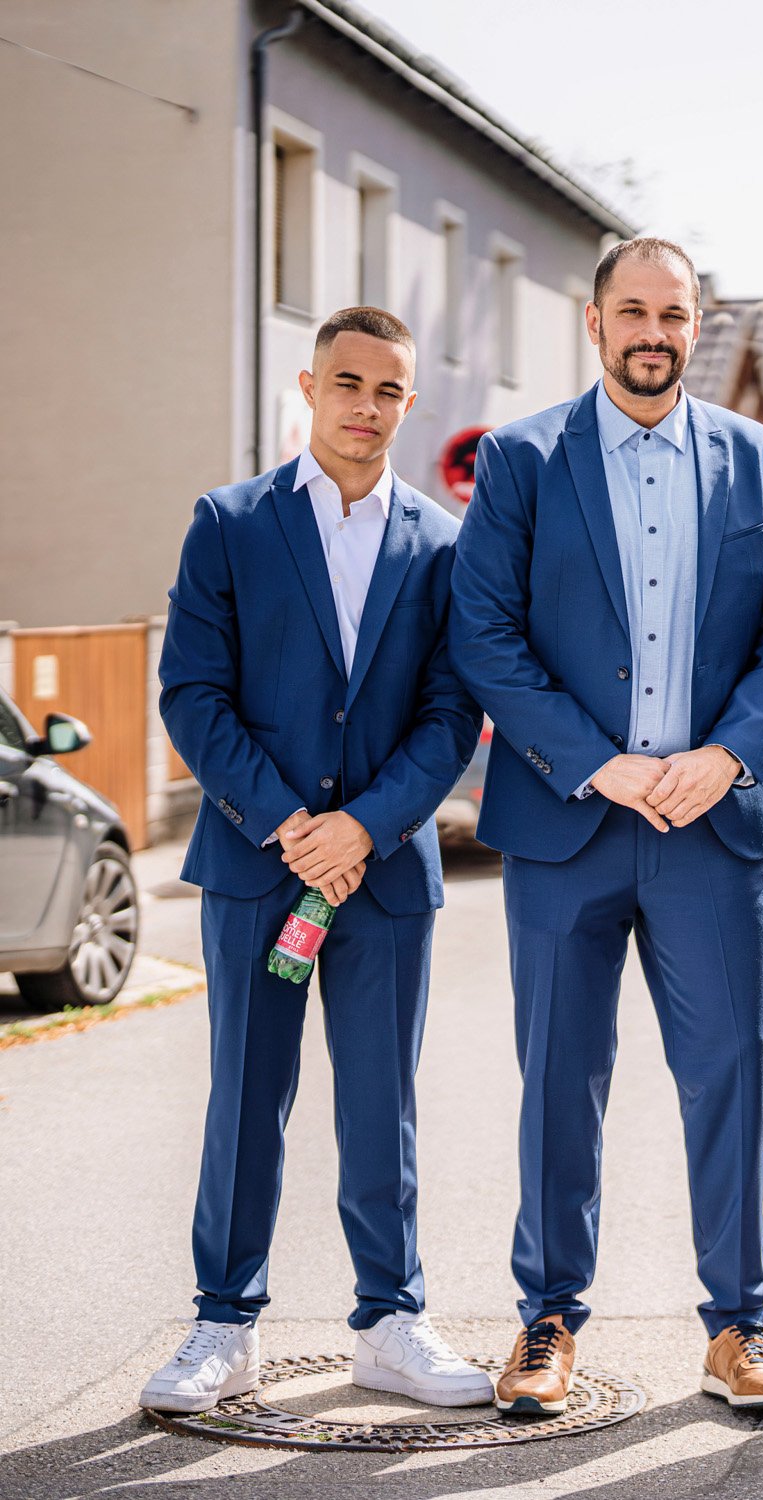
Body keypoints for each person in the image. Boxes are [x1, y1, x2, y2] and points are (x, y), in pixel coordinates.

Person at [451, 237, 763, 1416]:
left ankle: (736, 1329)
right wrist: (599, 765)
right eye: (632, 311)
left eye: (673, 313)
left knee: (730, 1077)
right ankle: (548, 1322)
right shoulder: (521, 461)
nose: (652, 331)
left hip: (710, 829)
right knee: (559, 1080)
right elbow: (485, 635)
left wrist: (723, 758)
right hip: (570, 823)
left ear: (697, 323)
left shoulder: (760, 460)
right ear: (594, 322)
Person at [147, 307, 485, 1413]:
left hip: (382, 877)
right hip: (257, 866)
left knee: (380, 1104)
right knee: (247, 1096)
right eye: (348, 383)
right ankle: (222, 1325)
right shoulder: (230, 523)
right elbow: (191, 693)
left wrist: (366, 826)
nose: (365, 407)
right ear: (309, 385)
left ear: (407, 403)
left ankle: (391, 1320)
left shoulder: (441, 543)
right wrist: (290, 824)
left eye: (388, 391)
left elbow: (448, 712)